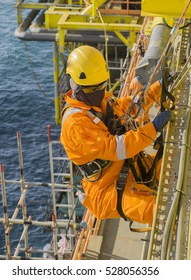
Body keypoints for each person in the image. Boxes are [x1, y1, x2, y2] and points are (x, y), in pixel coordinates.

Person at [60, 45, 171, 225]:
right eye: (91, 89)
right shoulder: (76, 125)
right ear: (74, 84)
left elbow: (128, 108)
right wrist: (152, 128)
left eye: (101, 86)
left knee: (172, 165)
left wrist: (158, 88)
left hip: (131, 168)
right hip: (108, 189)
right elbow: (116, 147)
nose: (98, 92)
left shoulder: (99, 102)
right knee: (158, 211)